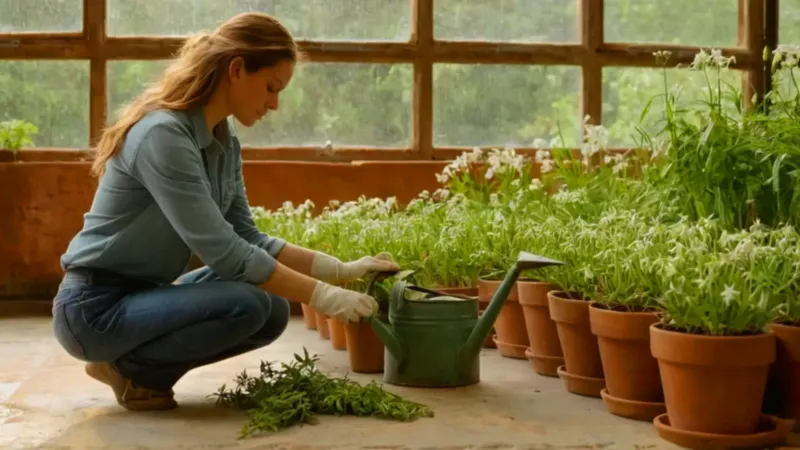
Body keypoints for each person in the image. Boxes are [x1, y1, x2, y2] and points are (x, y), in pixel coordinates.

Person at [50, 12, 399, 412]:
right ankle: (130, 369)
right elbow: (226, 253)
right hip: (95, 308)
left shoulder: (222, 139)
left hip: (147, 295)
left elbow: (248, 238)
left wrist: (342, 270)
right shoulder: (163, 134)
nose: (275, 104)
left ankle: (131, 368)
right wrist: (324, 297)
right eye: (271, 88)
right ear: (237, 69)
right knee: (246, 304)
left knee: (271, 310)